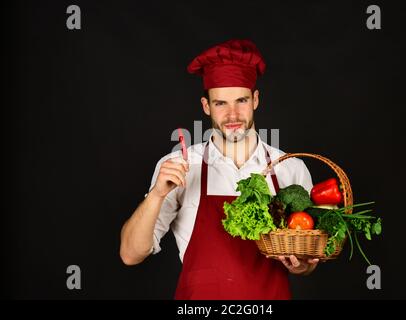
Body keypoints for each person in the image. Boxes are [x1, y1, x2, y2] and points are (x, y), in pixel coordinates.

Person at [120, 39, 319, 300]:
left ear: (255, 99)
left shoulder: (290, 168)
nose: (232, 114)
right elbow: (131, 254)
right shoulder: (181, 165)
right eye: (220, 103)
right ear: (206, 106)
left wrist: (304, 265)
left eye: (241, 100)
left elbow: (307, 258)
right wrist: (157, 195)